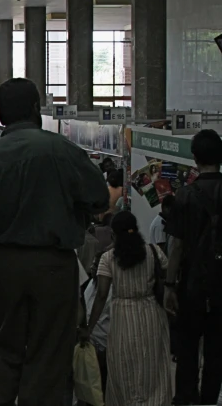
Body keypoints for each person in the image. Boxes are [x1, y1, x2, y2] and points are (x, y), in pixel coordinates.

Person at [0, 78, 109, 406]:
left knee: (5, 348)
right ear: (36, 108)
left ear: (0, 115)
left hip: (9, 261)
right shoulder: (62, 150)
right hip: (55, 263)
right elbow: (99, 198)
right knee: (49, 354)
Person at [82, 211, 171, 406]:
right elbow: (166, 273)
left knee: (123, 365)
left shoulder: (108, 259)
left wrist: (89, 327)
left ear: (113, 235)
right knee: (151, 365)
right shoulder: (153, 251)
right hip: (151, 314)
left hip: (122, 316)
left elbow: (102, 295)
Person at [165, 129, 222, 405]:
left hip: (191, 284)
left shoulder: (185, 196)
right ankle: (210, 398)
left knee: (187, 348)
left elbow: (176, 245)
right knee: (216, 350)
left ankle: (186, 397)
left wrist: (169, 284)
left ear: (195, 158)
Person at [81, 251, 112, 402]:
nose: (92, 268)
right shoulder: (90, 285)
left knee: (99, 387)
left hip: (102, 345)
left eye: (96, 265)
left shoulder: (110, 292)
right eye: (92, 265)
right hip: (87, 344)